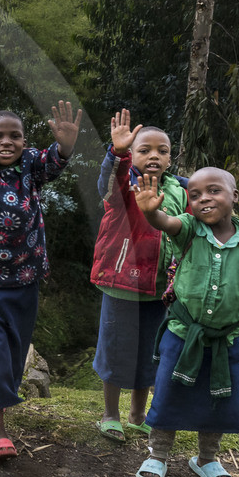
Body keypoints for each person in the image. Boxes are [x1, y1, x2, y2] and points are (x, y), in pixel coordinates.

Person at [131, 167, 239, 477]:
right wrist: (151, 212)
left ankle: (207, 458)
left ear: (235, 197)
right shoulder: (189, 229)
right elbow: (165, 222)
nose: (204, 198)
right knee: (169, 394)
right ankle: (157, 454)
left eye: (214, 191)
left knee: (217, 398)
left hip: (226, 339)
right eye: (195, 195)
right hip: (182, 333)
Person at [0, 89, 76, 460]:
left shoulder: (31, 166)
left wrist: (66, 146)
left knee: (15, 355)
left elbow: (55, 161)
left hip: (25, 278)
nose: (7, 142)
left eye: (15, 136)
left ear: (24, 140)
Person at [91, 110, 184, 440]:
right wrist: (118, 153)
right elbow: (106, 185)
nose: (154, 156)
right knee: (116, 351)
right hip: (121, 285)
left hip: (161, 289)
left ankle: (137, 414)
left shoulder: (180, 191)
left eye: (162, 150)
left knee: (150, 354)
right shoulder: (123, 184)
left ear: (171, 158)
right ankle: (110, 415)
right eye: (145, 150)